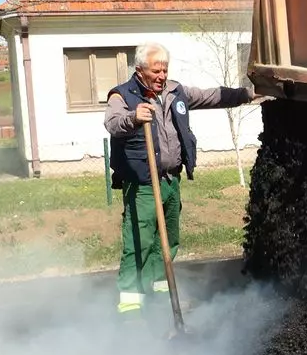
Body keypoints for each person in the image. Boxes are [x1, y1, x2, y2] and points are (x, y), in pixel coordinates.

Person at [103, 42, 254, 316]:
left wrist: (247, 94)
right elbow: (112, 122)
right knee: (140, 241)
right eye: (156, 71)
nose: (161, 76)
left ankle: (161, 294)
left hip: (171, 181)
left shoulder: (175, 92)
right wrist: (133, 118)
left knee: (168, 239)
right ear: (140, 70)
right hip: (143, 183)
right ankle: (130, 304)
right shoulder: (122, 95)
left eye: (165, 70)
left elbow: (211, 96)